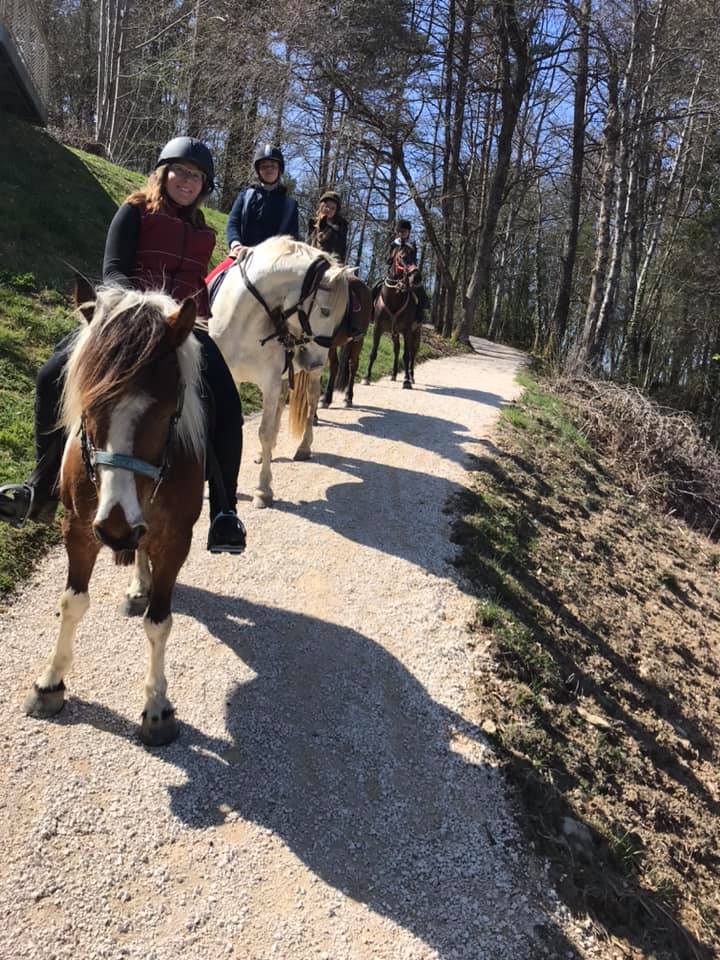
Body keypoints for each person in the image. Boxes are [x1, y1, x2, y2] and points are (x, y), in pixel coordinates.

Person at [0, 136, 247, 555]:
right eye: (181, 172)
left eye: (197, 176)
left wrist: (192, 322)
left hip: (180, 330)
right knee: (49, 376)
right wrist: (142, 317)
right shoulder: (133, 211)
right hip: (125, 322)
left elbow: (194, 288)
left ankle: (225, 511)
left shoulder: (204, 232)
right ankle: (39, 488)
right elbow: (113, 273)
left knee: (227, 403)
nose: (188, 181)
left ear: (204, 186)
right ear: (163, 172)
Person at [226, 144, 299, 256]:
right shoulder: (246, 196)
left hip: (274, 260)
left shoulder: (290, 205)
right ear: (258, 170)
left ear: (280, 169)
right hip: (243, 255)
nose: (269, 170)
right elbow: (233, 222)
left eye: (273, 166)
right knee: (218, 273)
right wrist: (235, 244)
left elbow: (292, 237)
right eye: (264, 166)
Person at [374, 218, 429, 323]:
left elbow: (412, 260)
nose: (401, 233)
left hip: (407, 272)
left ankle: (420, 315)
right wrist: (390, 257)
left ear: (408, 232)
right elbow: (388, 259)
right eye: (399, 231)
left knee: (420, 291)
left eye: (403, 231)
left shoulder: (411, 244)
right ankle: (373, 311)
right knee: (376, 287)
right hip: (392, 272)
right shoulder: (394, 244)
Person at [307, 190, 348, 262]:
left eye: (333, 208)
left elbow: (340, 250)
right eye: (327, 206)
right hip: (312, 259)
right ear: (322, 206)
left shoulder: (341, 226)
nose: (329, 210)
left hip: (331, 262)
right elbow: (308, 243)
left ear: (336, 211)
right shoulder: (313, 223)